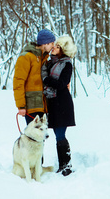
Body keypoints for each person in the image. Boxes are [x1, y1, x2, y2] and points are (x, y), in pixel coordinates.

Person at [41, 35, 77, 176]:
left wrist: (46, 79)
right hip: (51, 103)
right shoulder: (50, 62)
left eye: (57, 46)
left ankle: (66, 165)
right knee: (54, 134)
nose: (54, 48)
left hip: (62, 105)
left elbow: (62, 84)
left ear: (63, 50)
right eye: (54, 45)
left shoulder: (67, 64)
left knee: (60, 135)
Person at [13, 29, 55, 124]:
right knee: (32, 137)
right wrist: (21, 106)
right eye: (52, 43)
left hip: (42, 106)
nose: (53, 46)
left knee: (40, 137)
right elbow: (18, 82)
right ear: (45, 43)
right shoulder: (26, 57)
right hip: (31, 106)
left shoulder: (43, 58)